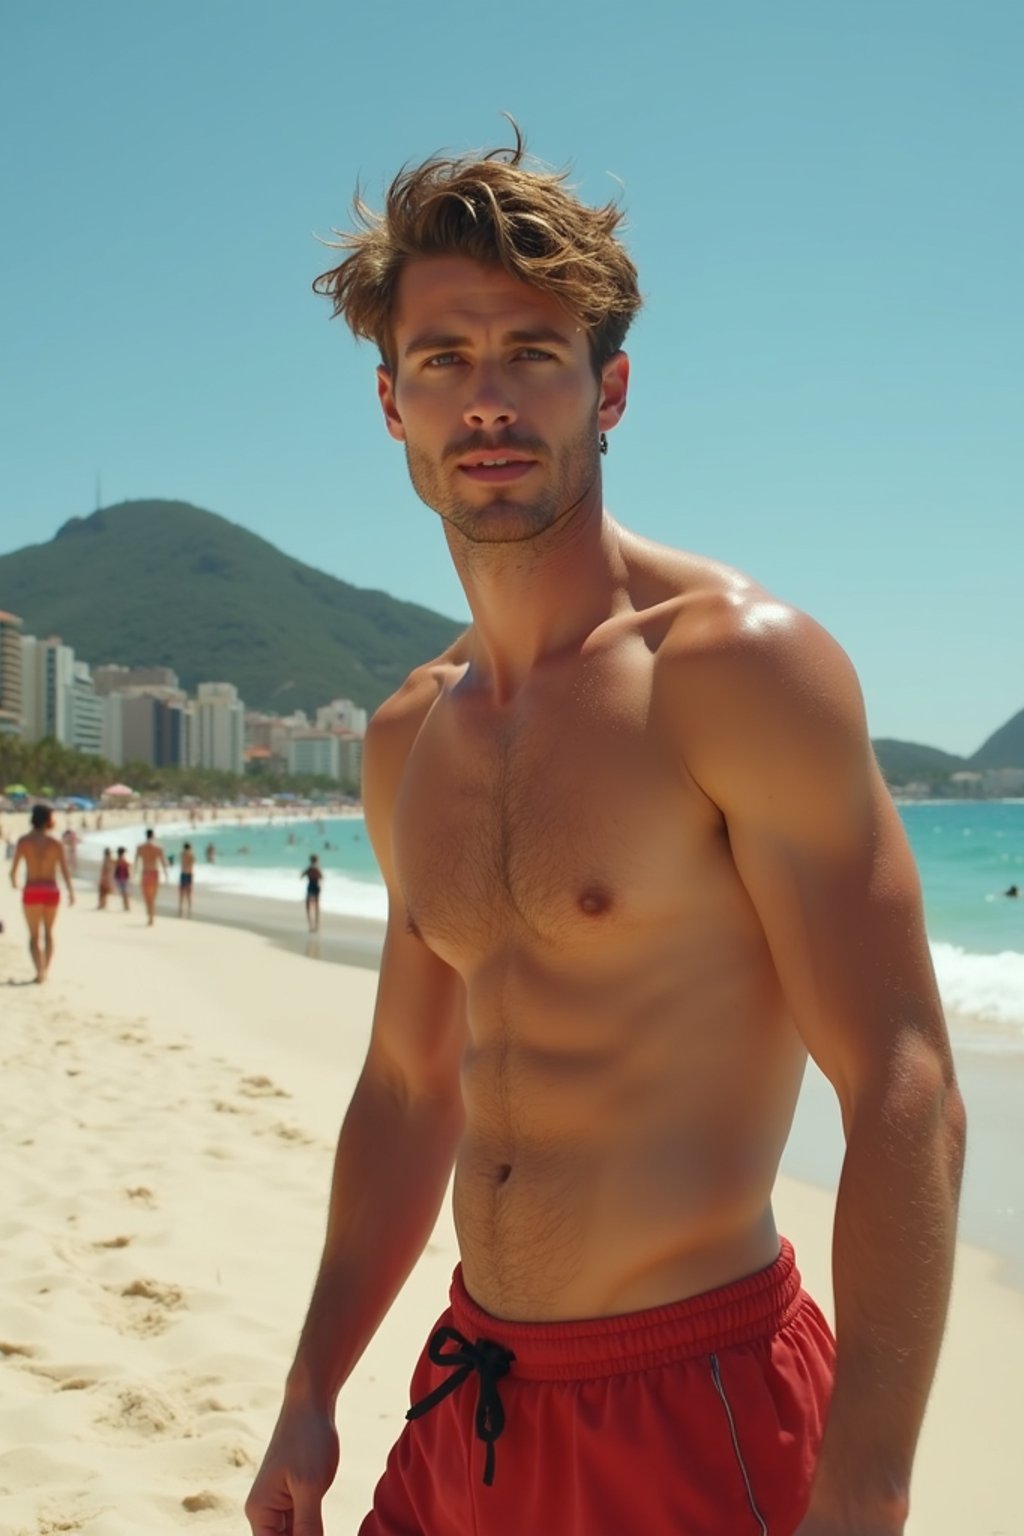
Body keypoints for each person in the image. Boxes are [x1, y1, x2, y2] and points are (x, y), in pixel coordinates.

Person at [246, 130, 966, 1536]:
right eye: (445, 358)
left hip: (696, 1409)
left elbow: (902, 1074)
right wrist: (313, 1379)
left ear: (611, 388)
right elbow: (407, 1087)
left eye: (534, 350)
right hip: (473, 1394)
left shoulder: (736, 669)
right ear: (391, 404)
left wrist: (869, 1481)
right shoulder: (408, 735)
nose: (488, 398)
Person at [10, 804, 75, 982]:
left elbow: (13, 870)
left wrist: (14, 882)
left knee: (33, 935)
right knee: (48, 932)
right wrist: (71, 891)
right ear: (49, 820)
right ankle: (45, 969)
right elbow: (64, 870)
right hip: (51, 890)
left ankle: (39, 971)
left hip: (32, 889)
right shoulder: (55, 843)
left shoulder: (23, 841)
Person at [134, 828, 168, 926]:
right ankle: (151, 917)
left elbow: (136, 862)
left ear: (146, 835)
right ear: (153, 835)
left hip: (145, 873)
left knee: (147, 898)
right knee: (153, 898)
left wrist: (134, 874)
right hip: (154, 873)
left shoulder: (140, 847)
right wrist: (166, 875)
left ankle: (150, 916)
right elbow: (163, 863)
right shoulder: (158, 848)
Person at [301, 853, 323, 932]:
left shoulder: (309, 868)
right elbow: (321, 877)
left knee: (308, 907)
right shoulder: (317, 868)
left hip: (310, 887)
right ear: (316, 860)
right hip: (316, 887)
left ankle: (310, 925)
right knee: (317, 907)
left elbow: (301, 876)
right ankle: (316, 926)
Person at [178, 841, 196, 918]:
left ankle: (180, 907)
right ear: (190, 848)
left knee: (182, 892)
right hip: (189, 874)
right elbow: (193, 863)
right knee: (189, 892)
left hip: (183, 874)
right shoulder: (191, 855)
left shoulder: (182, 854)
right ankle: (189, 908)